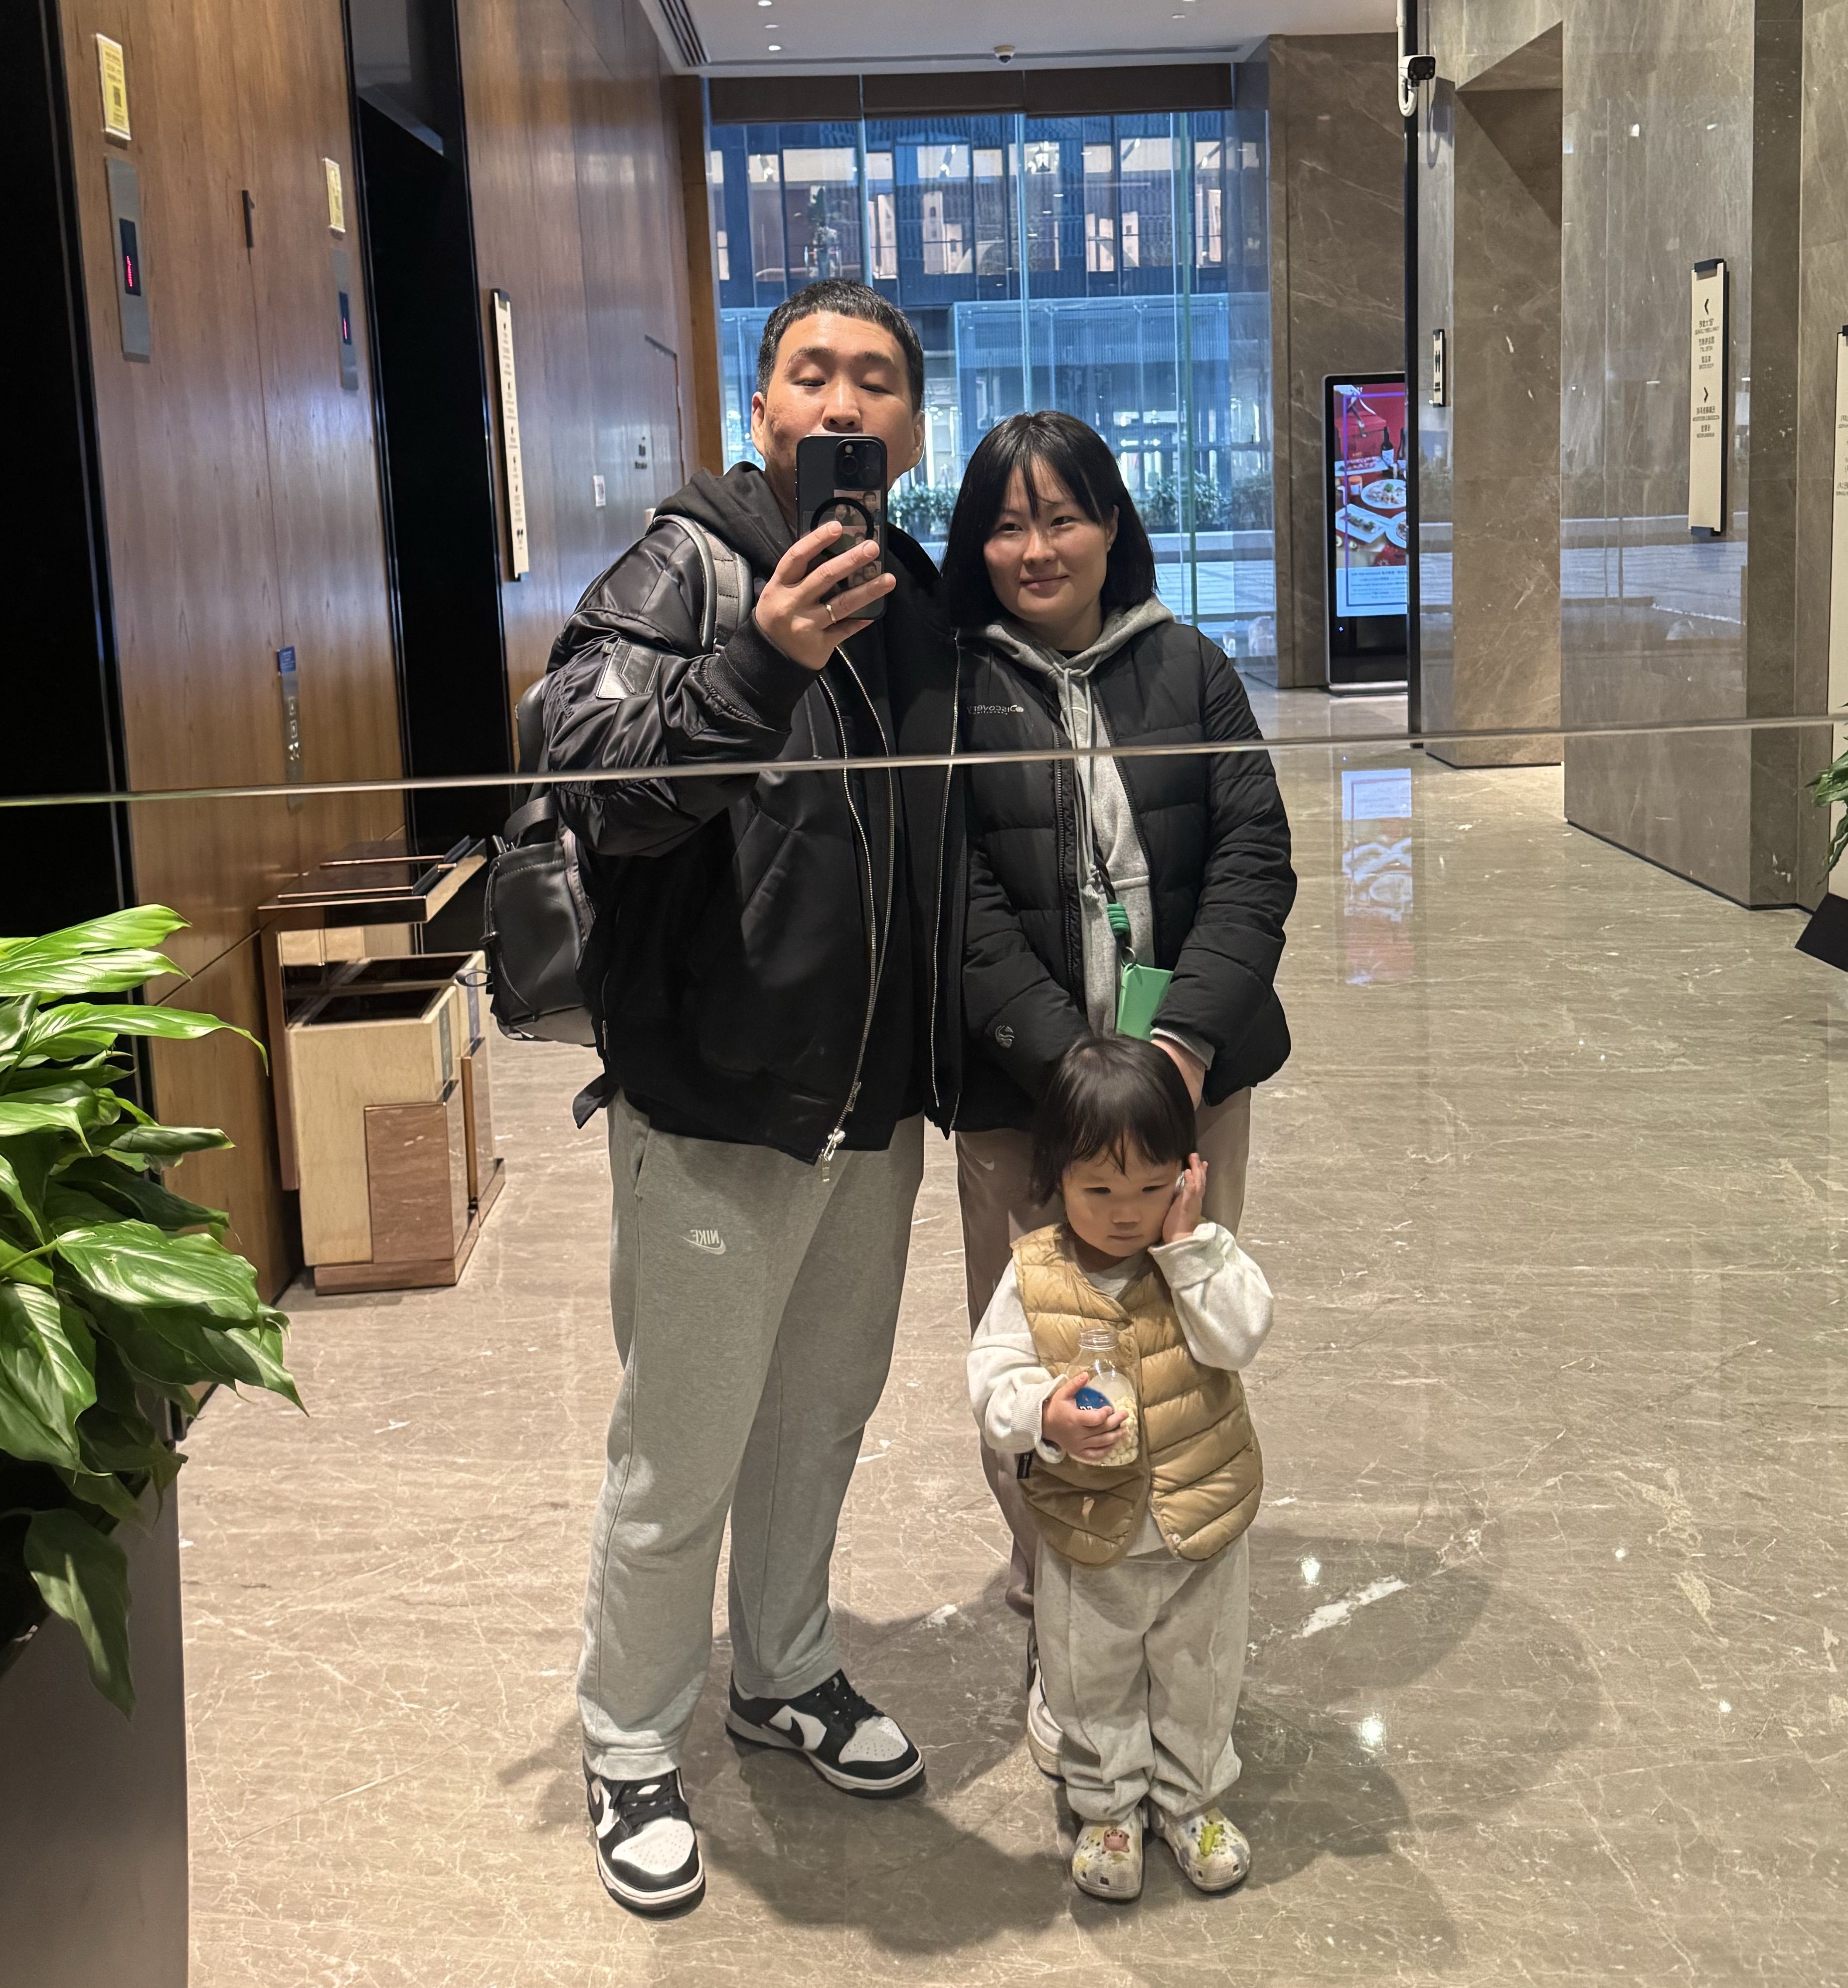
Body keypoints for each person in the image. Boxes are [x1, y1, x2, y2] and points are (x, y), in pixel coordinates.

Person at [540, 279, 966, 1917]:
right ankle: (629, 1738)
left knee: (819, 1414)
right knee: (684, 1441)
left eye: (876, 379)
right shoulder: (687, 564)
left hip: (870, 1095)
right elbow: (588, 778)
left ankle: (781, 1669)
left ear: (909, 424)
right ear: (763, 405)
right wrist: (760, 660)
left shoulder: (912, 590)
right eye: (812, 373)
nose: (843, 403)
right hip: (720, 1090)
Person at [942, 410, 1294, 1768]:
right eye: (1006, 523)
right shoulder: (953, 688)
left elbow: (1255, 858)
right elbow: (957, 903)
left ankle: (1182, 1591)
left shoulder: (1190, 667)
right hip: (1021, 1098)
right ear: (976, 544)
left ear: (1110, 525)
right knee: (1037, 1346)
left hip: (1187, 1092)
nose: (1036, 547)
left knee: (1185, 1328)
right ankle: (1059, 1605)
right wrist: (1068, 1075)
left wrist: (1181, 1049)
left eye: (1062, 516)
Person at [967, 1035, 1273, 1900]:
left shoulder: (1203, 1257)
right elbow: (991, 1378)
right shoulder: (1034, 1275)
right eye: (1098, 1190)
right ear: (1055, 1178)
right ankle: (1106, 1805)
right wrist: (1044, 1415)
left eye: (1149, 1187)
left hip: (1199, 1523)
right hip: (1089, 1529)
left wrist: (1189, 1250)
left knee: (1199, 1672)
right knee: (1087, 1675)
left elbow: (1239, 1338)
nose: (1125, 1213)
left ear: (1186, 1173)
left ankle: (1190, 1799)